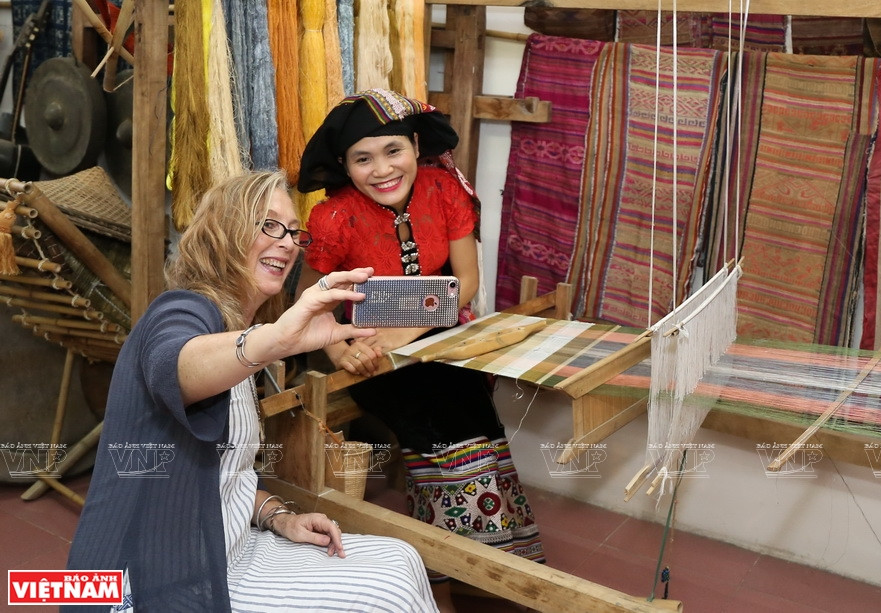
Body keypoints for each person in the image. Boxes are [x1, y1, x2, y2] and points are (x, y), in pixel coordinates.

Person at [65, 170, 438, 613]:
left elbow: (224, 474)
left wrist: (279, 516)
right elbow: (174, 365)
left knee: (402, 558)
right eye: (267, 224)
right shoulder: (181, 309)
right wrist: (277, 339)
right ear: (222, 234)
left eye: (292, 232)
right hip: (168, 574)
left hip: (231, 545)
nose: (285, 241)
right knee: (386, 596)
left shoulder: (238, 332)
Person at [296, 89, 545, 612]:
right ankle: (443, 574)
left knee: (472, 412)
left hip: (439, 333)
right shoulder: (333, 217)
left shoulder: (445, 190)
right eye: (362, 159)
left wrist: (408, 333)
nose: (382, 170)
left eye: (393, 151)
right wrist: (344, 354)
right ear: (344, 165)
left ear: (414, 145)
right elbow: (309, 302)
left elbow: (467, 282)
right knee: (431, 425)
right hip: (372, 351)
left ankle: (486, 556)